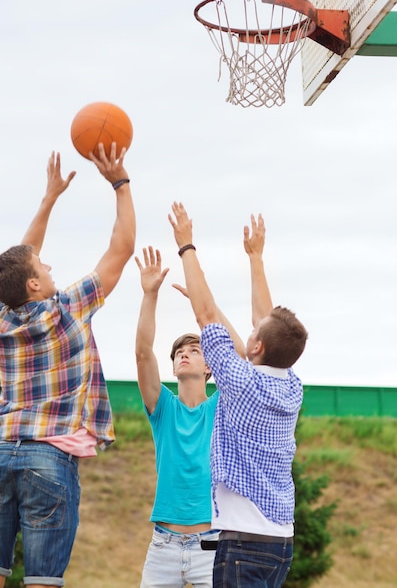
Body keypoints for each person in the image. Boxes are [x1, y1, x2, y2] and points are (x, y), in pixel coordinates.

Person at [0, 143, 136, 588]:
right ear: (35, 284)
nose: (49, 263)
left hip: (1, 448)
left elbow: (17, 264)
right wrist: (120, 183)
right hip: (48, 457)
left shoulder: (2, 318)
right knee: (42, 581)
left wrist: (48, 198)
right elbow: (121, 250)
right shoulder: (67, 308)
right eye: (44, 266)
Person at [168, 202, 308, 588]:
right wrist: (256, 258)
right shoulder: (290, 384)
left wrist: (186, 247)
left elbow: (207, 316)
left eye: (252, 334)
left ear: (259, 346)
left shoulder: (241, 382)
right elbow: (266, 321)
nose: (246, 333)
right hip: (281, 541)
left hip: (243, 543)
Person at [135, 245, 245, 588]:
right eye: (179, 353)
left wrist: (204, 308)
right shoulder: (163, 408)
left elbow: (240, 356)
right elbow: (142, 353)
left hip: (211, 546)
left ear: (209, 366)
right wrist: (150, 294)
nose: (184, 355)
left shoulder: (221, 406)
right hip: (163, 546)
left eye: (194, 351)